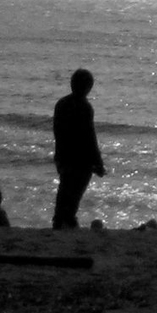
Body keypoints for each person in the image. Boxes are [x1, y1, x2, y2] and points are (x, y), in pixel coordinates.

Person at [51, 68, 106, 230]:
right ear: (88, 87)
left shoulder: (61, 104)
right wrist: (98, 163)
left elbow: (58, 132)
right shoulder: (84, 107)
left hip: (64, 156)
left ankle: (59, 223)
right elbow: (89, 138)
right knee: (73, 197)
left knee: (64, 193)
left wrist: (59, 156)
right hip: (81, 161)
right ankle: (66, 223)